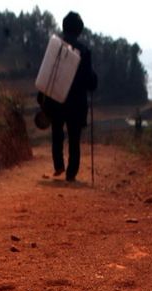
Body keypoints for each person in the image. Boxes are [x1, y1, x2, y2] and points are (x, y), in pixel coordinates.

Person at [38, 12, 97, 182]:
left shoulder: (55, 47)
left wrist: (41, 96)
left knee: (57, 132)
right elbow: (89, 79)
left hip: (56, 100)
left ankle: (59, 165)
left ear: (64, 27)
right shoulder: (84, 52)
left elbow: (47, 73)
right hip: (76, 103)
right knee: (74, 137)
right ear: (80, 30)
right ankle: (71, 172)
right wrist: (93, 81)